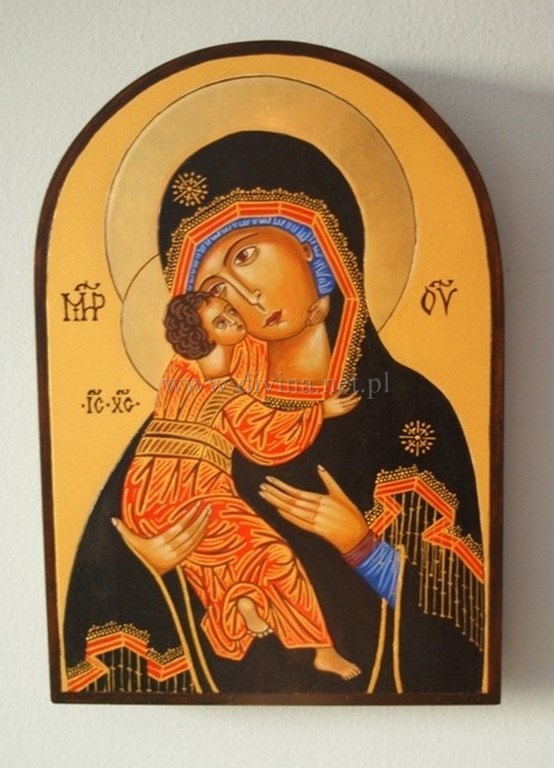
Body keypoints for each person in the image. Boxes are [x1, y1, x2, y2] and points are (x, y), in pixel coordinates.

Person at [65, 132, 485, 695]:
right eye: (216, 288)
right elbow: (103, 596)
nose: (245, 294)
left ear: (314, 243)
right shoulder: (192, 420)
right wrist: (146, 566)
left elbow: (466, 622)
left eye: (247, 254)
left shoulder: (409, 409)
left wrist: (362, 547)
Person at [121, 290, 361, 679]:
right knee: (273, 554)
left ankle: (242, 604)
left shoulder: (182, 373)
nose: (234, 319)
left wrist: (305, 314)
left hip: (152, 491)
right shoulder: (223, 392)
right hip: (184, 490)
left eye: (230, 311)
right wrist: (320, 411)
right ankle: (321, 649)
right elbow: (266, 437)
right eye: (221, 321)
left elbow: (251, 346)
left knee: (216, 567)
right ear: (203, 337)